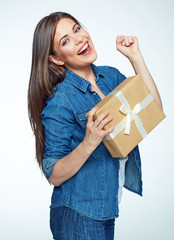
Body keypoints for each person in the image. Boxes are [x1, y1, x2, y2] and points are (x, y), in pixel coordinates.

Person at [28, 12, 163, 240]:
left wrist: (135, 57)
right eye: (66, 41)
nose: (79, 39)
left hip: (105, 209)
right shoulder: (61, 100)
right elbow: (54, 174)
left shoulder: (110, 78)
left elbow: (153, 109)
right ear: (57, 59)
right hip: (77, 215)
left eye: (77, 29)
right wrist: (88, 143)